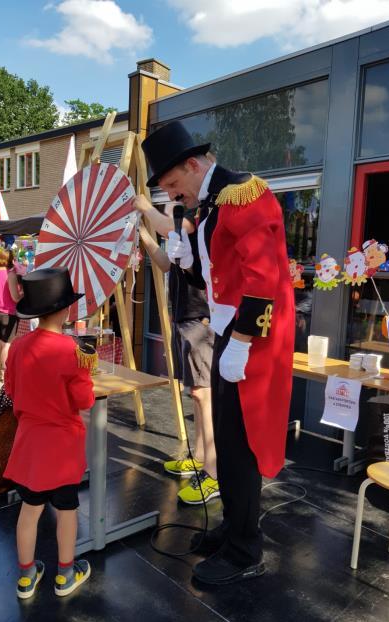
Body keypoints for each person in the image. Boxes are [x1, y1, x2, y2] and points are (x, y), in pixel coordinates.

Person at [142, 121, 295, 584]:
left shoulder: (243, 193)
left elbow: (264, 278)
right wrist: (185, 250)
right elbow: (213, 274)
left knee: (240, 446)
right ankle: (233, 527)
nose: (172, 194)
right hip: (229, 330)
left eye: (172, 184)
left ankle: (245, 550)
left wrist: (243, 343)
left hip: (253, 339)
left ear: (194, 164)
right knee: (228, 445)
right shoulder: (206, 205)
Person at [3, 267, 95, 599]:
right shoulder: (74, 351)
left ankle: (27, 578)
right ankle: (65, 575)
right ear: (67, 309)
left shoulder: (17, 347)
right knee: (67, 510)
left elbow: (11, 390)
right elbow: (85, 401)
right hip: (63, 447)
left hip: (29, 444)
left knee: (29, 511)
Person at [133, 199, 218, 504]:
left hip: (199, 321)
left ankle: (213, 474)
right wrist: (144, 234)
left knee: (204, 395)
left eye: (171, 210)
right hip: (187, 320)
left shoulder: (194, 226)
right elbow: (166, 263)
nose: (168, 219)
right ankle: (198, 458)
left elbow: (173, 227)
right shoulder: (179, 239)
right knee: (198, 394)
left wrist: (145, 207)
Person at [0, 248, 22, 382]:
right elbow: (15, 298)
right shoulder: (10, 274)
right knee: (7, 344)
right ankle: (4, 373)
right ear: (10, 259)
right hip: (8, 313)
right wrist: (23, 294)